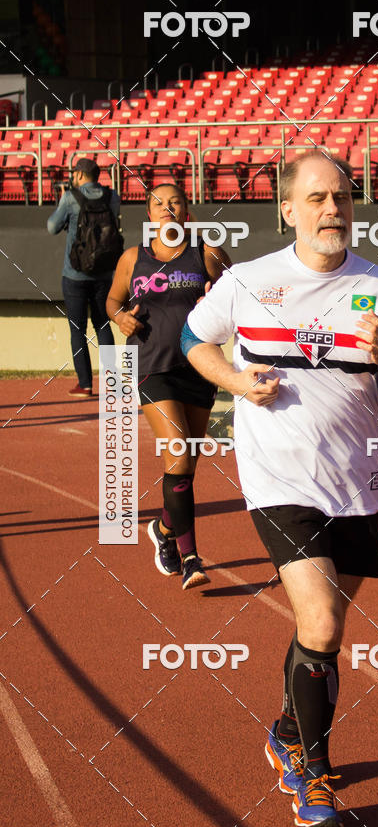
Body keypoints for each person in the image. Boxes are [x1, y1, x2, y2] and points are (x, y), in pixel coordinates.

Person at [181, 151, 378, 827]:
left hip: (356, 484)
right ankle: (315, 778)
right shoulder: (249, 281)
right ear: (288, 210)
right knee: (322, 622)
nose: (331, 210)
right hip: (277, 476)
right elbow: (196, 341)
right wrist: (235, 383)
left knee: (319, 627)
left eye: (341, 198)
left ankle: (289, 727)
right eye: (316, 199)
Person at [105, 183, 231, 590]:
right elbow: (112, 301)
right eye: (159, 203)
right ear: (149, 215)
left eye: (175, 201)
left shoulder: (207, 254)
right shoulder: (132, 258)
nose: (168, 208)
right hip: (150, 366)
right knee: (177, 456)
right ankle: (189, 556)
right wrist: (121, 318)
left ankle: (162, 527)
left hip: (199, 367)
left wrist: (216, 303)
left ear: (187, 211)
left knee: (187, 465)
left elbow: (239, 300)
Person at [47, 157, 120, 397]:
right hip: (105, 272)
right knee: (103, 325)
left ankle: (85, 384)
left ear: (79, 175)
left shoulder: (71, 197)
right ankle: (112, 382)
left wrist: (66, 208)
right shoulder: (112, 197)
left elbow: (51, 227)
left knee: (77, 329)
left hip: (75, 273)